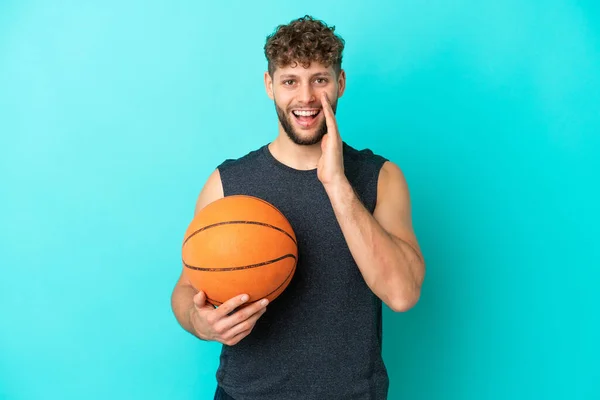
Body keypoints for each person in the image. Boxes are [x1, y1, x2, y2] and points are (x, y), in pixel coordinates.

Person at [170, 15, 425, 400]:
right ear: (269, 85)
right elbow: (186, 287)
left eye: (319, 79)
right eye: (290, 81)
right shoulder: (228, 183)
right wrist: (199, 321)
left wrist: (337, 186)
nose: (306, 98)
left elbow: (403, 294)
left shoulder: (381, 178)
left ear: (339, 83)